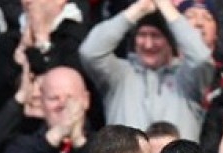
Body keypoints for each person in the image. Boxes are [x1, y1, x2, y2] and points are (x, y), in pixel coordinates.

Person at [79, 0, 213, 141]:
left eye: (156, 36)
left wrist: (165, 6)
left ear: (170, 42)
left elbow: (201, 58)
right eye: (142, 35)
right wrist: (138, 9)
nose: (148, 44)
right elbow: (90, 51)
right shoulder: (119, 75)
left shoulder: (186, 77)